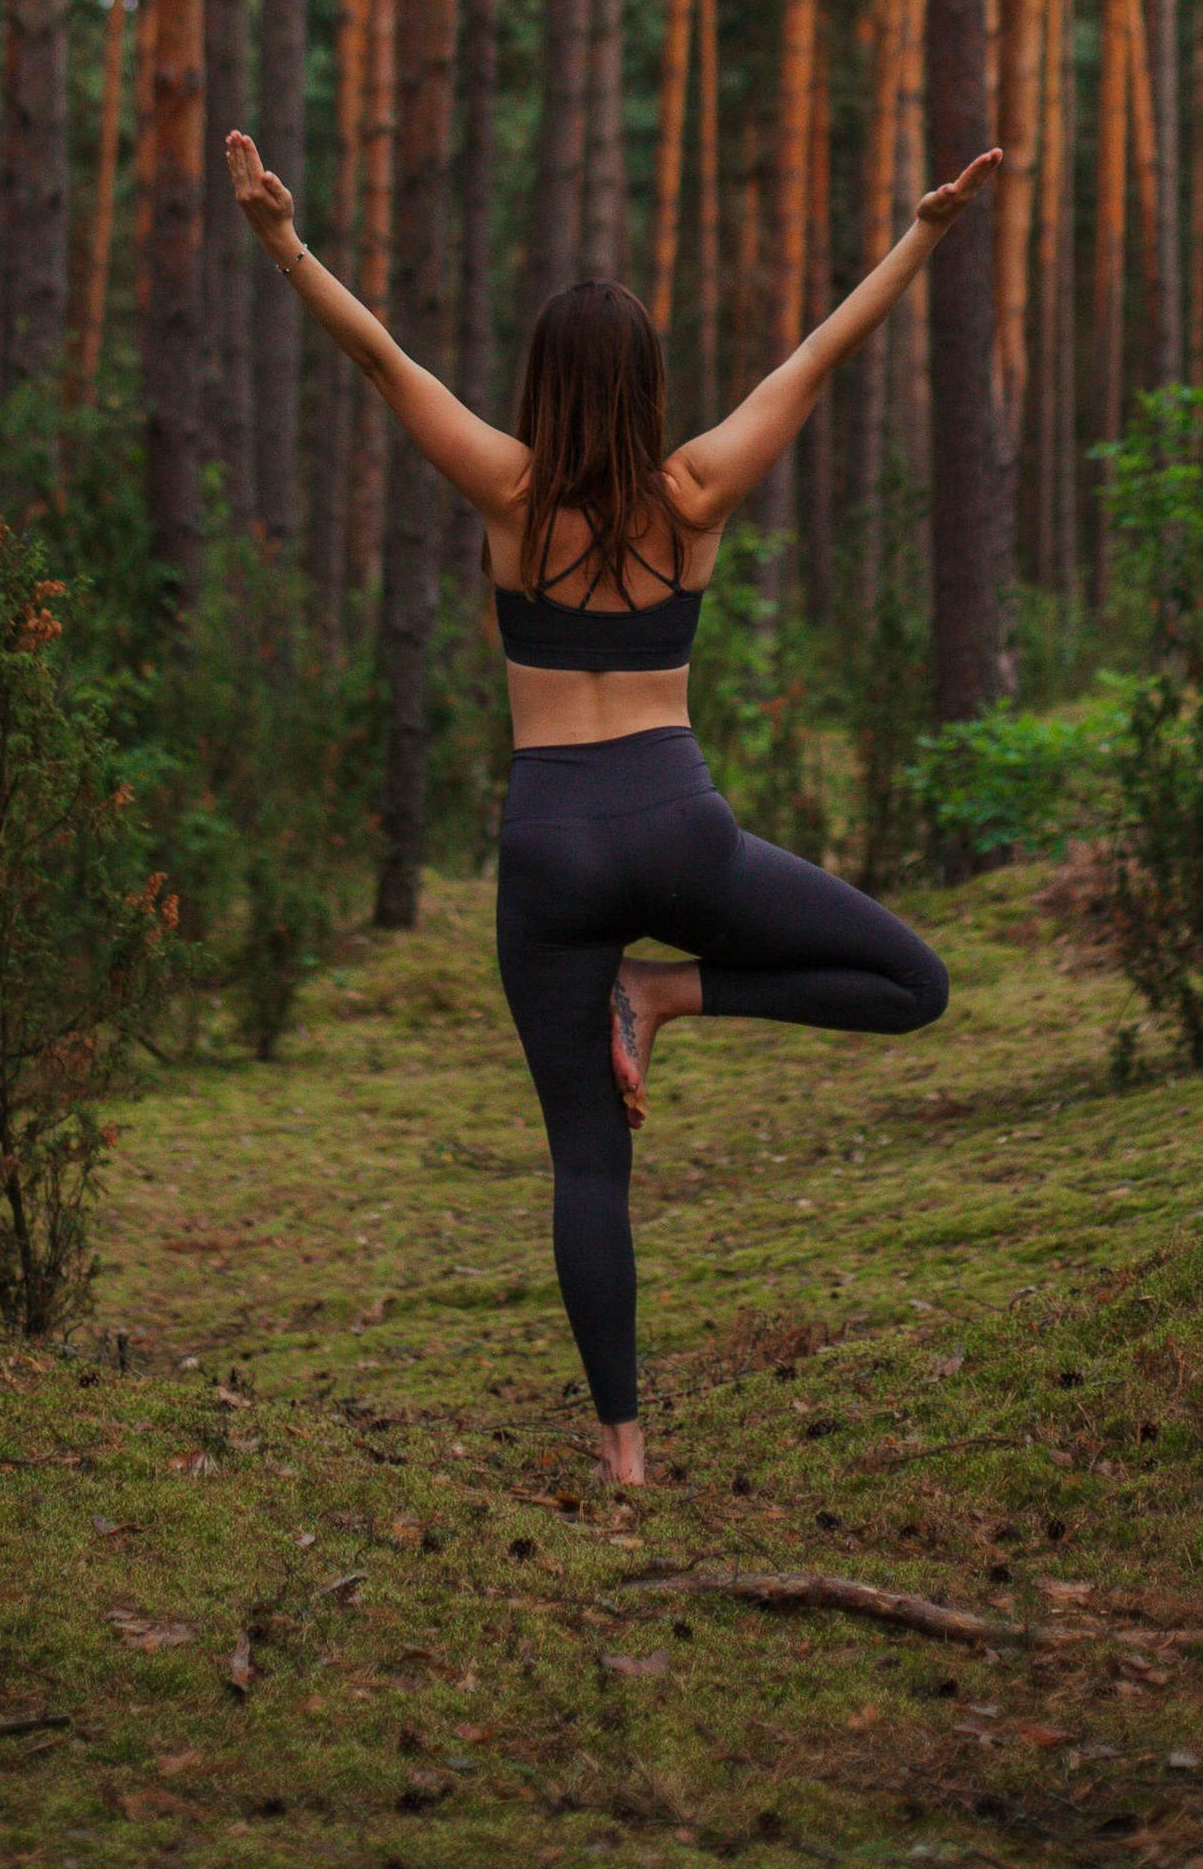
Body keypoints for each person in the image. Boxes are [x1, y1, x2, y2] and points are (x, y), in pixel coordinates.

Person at [225, 124, 998, 1485]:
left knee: (589, 1167)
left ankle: (625, 1457)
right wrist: (923, 235)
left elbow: (381, 359)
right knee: (914, 984)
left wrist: (284, 238)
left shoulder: (509, 492)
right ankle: (670, 996)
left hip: (549, 847)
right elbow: (817, 359)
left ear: (539, 384)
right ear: (647, 388)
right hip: (677, 826)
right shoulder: (692, 491)